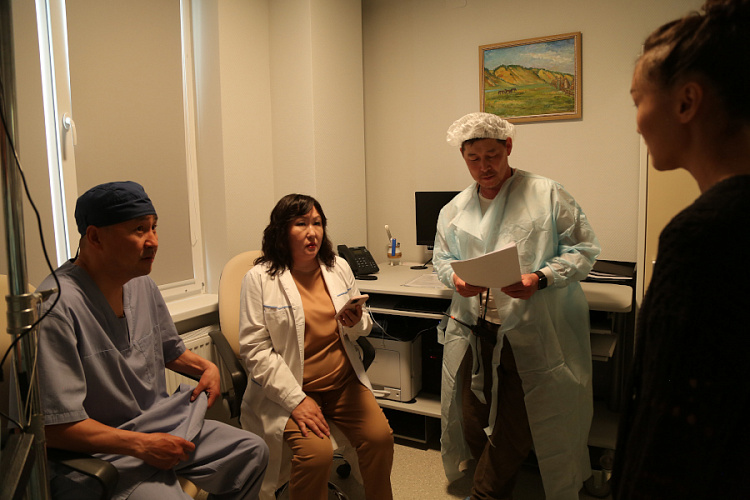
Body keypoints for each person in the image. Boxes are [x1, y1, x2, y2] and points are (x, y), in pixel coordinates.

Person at [37, 181, 269, 500]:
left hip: (158, 425)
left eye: (154, 227)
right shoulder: (55, 308)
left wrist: (207, 368)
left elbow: (167, 350)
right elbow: (54, 428)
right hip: (103, 453)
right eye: (139, 229)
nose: (153, 241)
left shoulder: (140, 284)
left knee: (252, 452)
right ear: (95, 237)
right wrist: (142, 445)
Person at [612, 0, 750, 498]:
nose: (637, 123)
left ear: (687, 101)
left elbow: (669, 426)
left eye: (638, 101)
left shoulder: (704, 236)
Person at [433, 112, 601, 500]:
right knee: (473, 417)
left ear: (508, 147)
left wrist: (540, 278)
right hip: (476, 329)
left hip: (531, 330)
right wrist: (455, 280)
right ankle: (492, 482)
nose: (484, 167)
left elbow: (583, 250)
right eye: (473, 158)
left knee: (514, 423)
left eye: (492, 155)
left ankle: (486, 493)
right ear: (463, 157)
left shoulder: (546, 194)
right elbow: (442, 259)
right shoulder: (456, 209)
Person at [237, 194, 394, 500]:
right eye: (301, 224)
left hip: (343, 383)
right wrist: (296, 400)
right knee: (317, 455)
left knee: (380, 438)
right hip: (292, 388)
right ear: (282, 230)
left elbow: (363, 326)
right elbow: (255, 351)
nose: (313, 232)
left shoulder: (338, 267)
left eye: (317, 223)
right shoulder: (258, 279)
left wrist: (355, 321)